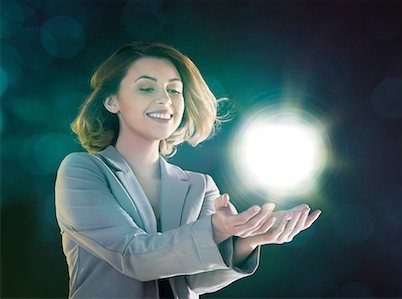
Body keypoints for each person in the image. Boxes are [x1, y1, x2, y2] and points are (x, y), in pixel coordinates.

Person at [54, 41, 321, 299]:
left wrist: (247, 241)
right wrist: (216, 230)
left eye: (174, 90)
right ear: (112, 101)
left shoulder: (200, 185)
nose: (165, 100)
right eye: (146, 88)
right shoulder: (82, 170)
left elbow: (194, 278)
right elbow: (132, 256)